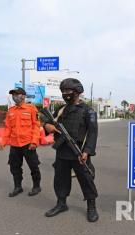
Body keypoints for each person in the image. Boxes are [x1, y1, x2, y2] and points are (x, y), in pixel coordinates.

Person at [42, 78, 99, 222]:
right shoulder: (61, 109)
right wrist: (47, 126)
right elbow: (48, 122)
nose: (65, 94)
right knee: (60, 178)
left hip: (79, 151)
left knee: (86, 178)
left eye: (68, 91)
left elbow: (92, 133)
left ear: (78, 92)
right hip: (62, 151)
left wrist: (86, 151)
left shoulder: (88, 111)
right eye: (63, 91)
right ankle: (61, 203)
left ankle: (91, 207)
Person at [0, 88, 42, 197]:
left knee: (33, 166)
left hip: (28, 144)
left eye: (16, 94)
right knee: (14, 167)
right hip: (14, 144)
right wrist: (3, 142)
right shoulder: (11, 111)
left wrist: (34, 141)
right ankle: (18, 187)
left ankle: (36, 186)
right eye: (13, 95)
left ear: (23, 96)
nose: (14, 96)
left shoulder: (31, 108)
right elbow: (8, 128)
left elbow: (36, 126)